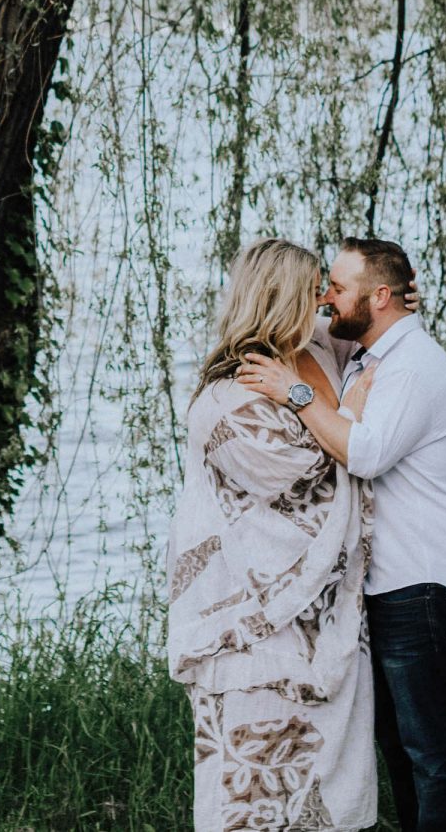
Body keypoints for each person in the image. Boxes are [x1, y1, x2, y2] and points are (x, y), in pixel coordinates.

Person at [239, 237, 446, 832]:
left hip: (422, 582)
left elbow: (366, 453)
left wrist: (294, 395)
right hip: (393, 587)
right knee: (404, 750)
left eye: (337, 288)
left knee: (436, 754)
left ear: (378, 298)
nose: (326, 298)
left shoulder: (412, 364)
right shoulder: (369, 346)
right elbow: (297, 325)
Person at [167, 238, 378, 832]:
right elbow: (299, 477)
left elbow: (372, 329)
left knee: (328, 787)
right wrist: (350, 421)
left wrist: (401, 298)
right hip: (256, 623)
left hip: (328, 617)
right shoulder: (229, 395)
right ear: (281, 299)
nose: (322, 303)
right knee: (254, 786)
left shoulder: (316, 350)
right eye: (313, 292)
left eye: (325, 292)